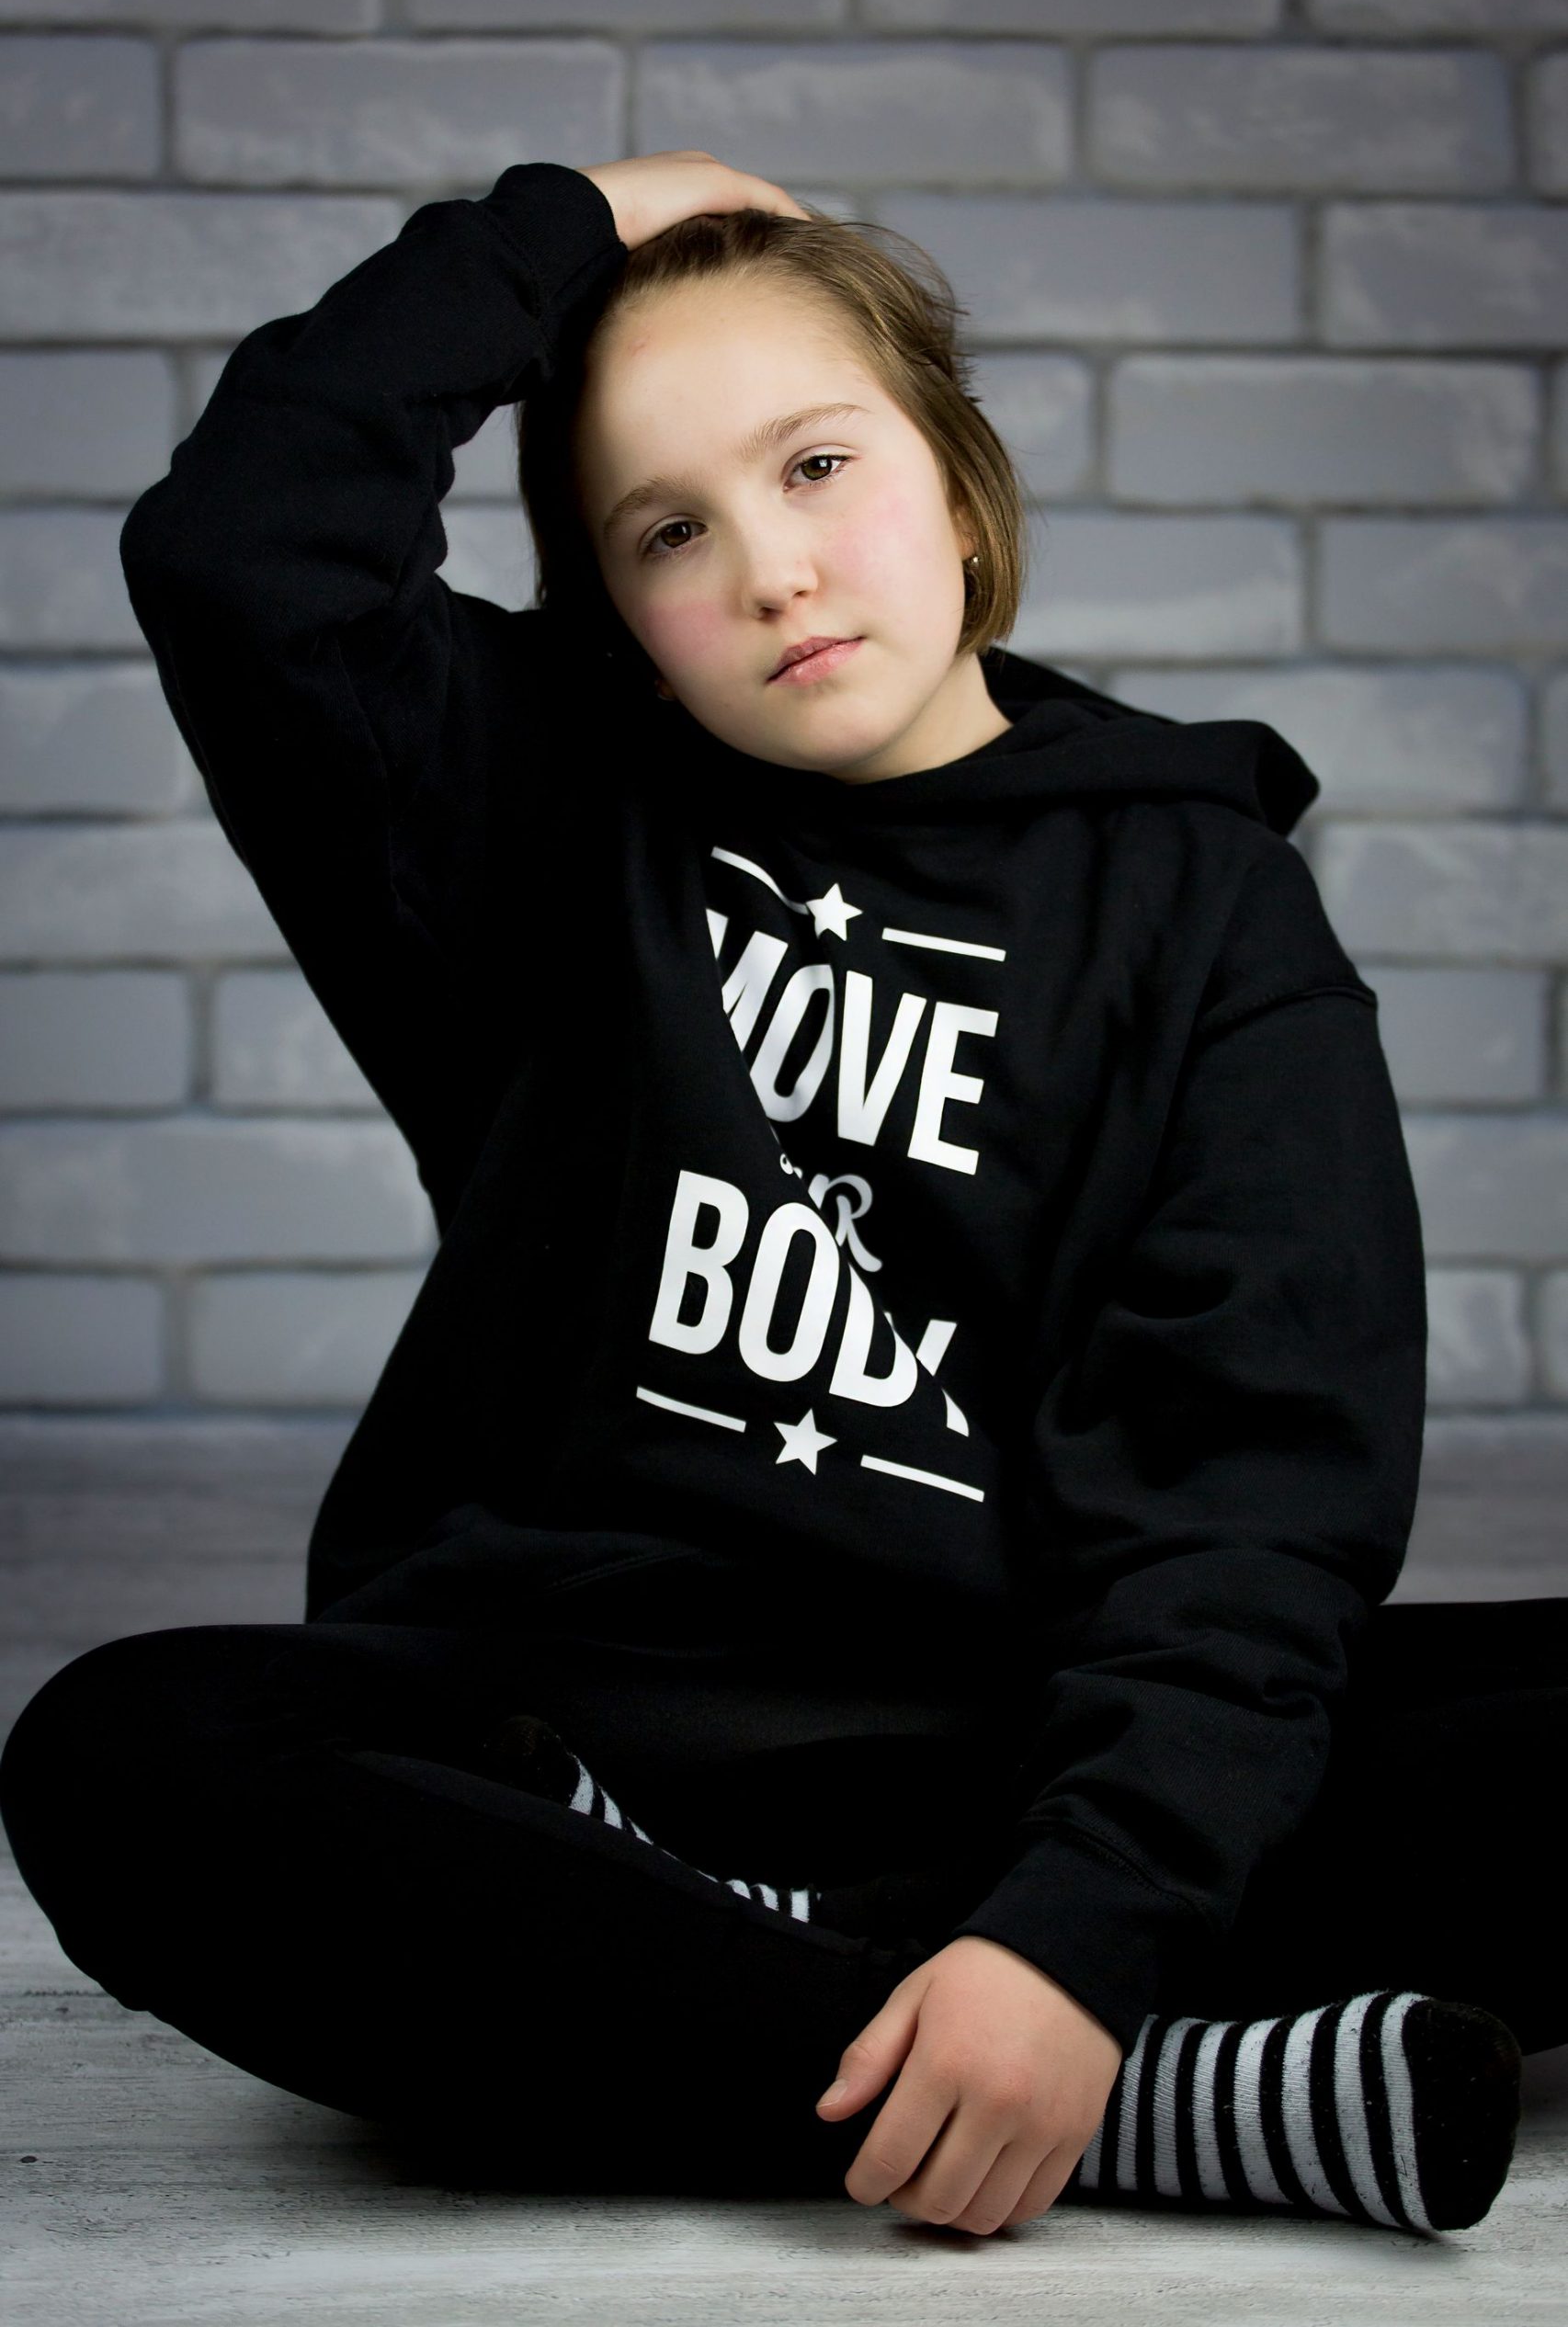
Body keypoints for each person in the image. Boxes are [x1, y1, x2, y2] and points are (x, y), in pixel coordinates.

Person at [1, 149, 1559, 2244]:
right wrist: (564, 221)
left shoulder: (1203, 903)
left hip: (1000, 1739)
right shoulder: (542, 813)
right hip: (558, 1738)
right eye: (670, 529)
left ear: (960, 482)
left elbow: (1255, 1486)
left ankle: (793, 1995)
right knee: (125, 1754)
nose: (770, 569)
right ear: (623, 622)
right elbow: (242, 544)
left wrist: (1077, 1910)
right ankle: (1126, 2097)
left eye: (818, 463)